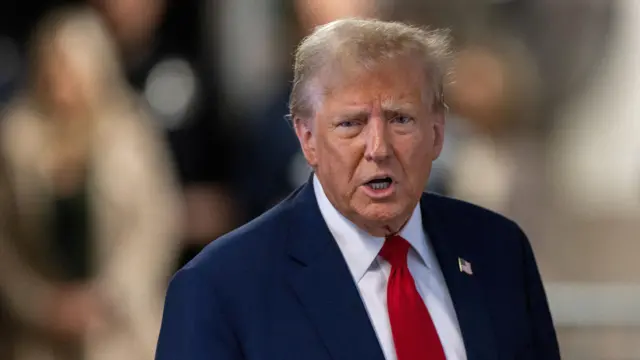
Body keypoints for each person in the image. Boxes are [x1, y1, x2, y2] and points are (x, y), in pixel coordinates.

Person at [156, 19, 560, 360]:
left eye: (400, 119)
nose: (378, 148)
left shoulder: (500, 251)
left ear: (438, 133)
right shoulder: (219, 288)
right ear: (307, 138)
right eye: (351, 124)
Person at [0, 7, 182, 360]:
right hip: (36, 338)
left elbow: (156, 224)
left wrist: (108, 297)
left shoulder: (131, 133)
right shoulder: (14, 139)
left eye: (74, 67)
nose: (65, 79)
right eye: (57, 65)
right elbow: (4, 245)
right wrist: (41, 305)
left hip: (122, 333)